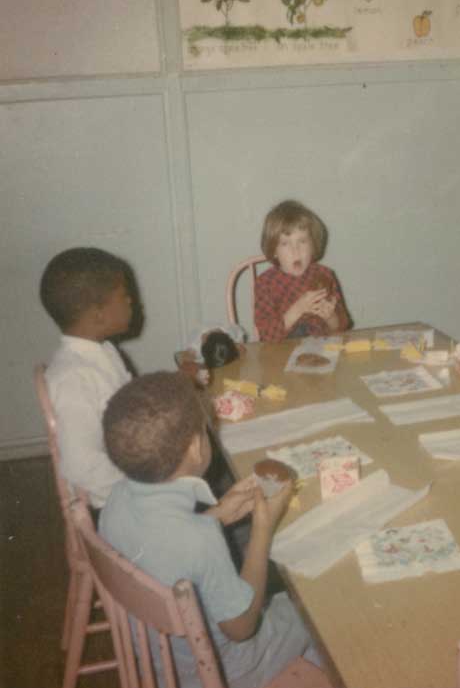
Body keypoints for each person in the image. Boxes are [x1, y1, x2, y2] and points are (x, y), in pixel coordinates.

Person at [100, 372, 320, 688]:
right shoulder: (200, 538)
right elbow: (242, 628)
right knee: (313, 609)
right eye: (206, 430)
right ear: (195, 447)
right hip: (223, 672)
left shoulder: (115, 500)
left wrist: (216, 516)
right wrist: (262, 529)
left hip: (160, 661)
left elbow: (164, 548)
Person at [40, 247, 134, 508]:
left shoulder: (104, 350)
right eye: (124, 296)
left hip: (129, 464)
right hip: (111, 502)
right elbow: (81, 465)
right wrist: (146, 489)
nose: (130, 301)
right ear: (98, 314)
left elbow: (131, 404)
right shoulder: (73, 378)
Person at [254, 199, 351, 341]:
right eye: (285, 243)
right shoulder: (265, 284)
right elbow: (266, 335)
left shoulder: (325, 275)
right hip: (282, 351)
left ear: (313, 245)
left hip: (322, 347)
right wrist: (298, 309)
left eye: (302, 241)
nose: (295, 250)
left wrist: (331, 317)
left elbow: (343, 326)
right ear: (274, 250)